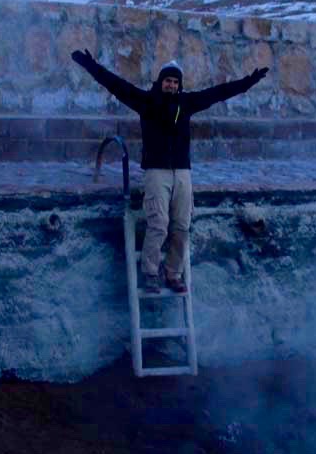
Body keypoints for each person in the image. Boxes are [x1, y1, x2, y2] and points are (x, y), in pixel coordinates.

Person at [71, 49, 269, 293]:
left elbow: (219, 93)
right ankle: (150, 272)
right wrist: (90, 64)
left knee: (182, 226)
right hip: (157, 172)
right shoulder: (146, 101)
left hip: (182, 172)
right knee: (159, 224)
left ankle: (173, 273)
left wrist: (249, 81)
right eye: (168, 81)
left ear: (179, 84)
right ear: (161, 81)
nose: (171, 85)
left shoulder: (186, 103)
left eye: (175, 82)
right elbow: (115, 84)